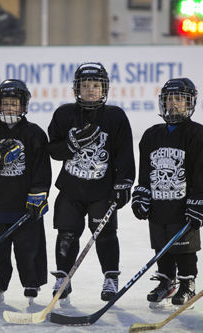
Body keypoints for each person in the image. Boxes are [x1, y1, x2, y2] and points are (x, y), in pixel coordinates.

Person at [47, 62, 135, 302]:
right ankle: (63, 277)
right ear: (77, 88)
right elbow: (53, 149)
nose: (91, 90)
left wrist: (124, 183)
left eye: (96, 85)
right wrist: (71, 145)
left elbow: (124, 153)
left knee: (105, 235)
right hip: (71, 190)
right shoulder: (65, 114)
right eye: (85, 85)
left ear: (104, 87)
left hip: (102, 192)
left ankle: (110, 278)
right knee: (66, 234)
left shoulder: (116, 116)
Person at [131, 78, 203, 308]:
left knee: (184, 246)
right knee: (161, 243)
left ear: (190, 103)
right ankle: (167, 281)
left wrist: (200, 201)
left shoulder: (198, 133)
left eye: (180, 99)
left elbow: (202, 172)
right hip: (159, 203)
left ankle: (188, 283)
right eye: (170, 99)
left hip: (183, 204)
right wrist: (142, 193)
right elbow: (145, 171)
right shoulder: (151, 135)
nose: (174, 104)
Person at [0, 79, 51, 304]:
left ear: (24, 105)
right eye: (5, 103)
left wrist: (39, 192)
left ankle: (31, 282)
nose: (9, 108)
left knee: (30, 247)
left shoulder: (34, 133)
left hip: (26, 204)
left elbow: (41, 167)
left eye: (14, 103)